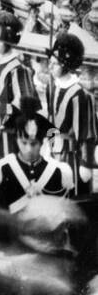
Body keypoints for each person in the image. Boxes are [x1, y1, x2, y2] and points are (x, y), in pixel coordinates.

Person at [40, 32, 97, 199]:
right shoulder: (52, 86)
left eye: (54, 64)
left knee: (72, 197)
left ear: (66, 64)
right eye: (49, 63)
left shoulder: (80, 95)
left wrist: (86, 164)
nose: (50, 67)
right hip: (52, 152)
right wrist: (47, 145)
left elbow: (86, 134)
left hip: (73, 156)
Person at [0, 101, 67, 211]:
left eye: (34, 143)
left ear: (42, 142)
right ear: (16, 140)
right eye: (24, 143)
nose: (29, 149)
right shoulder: (3, 170)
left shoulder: (56, 172)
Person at [0, 13, 35, 159]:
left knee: (9, 157)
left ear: (8, 43)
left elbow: (23, 100)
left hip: (9, 123)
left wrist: (9, 121)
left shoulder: (17, 68)